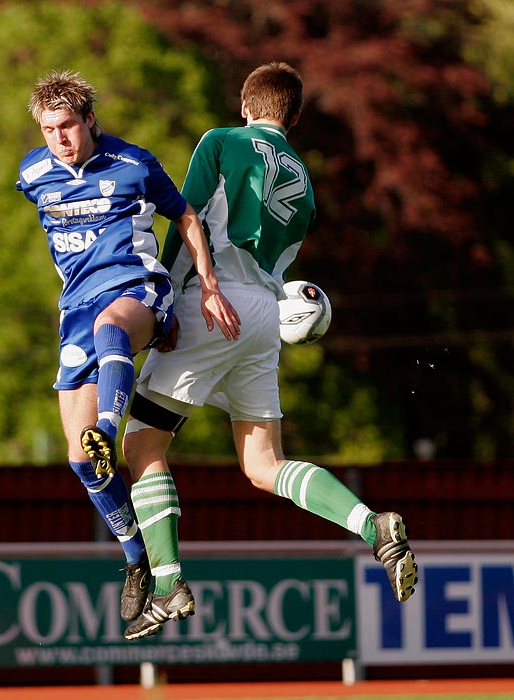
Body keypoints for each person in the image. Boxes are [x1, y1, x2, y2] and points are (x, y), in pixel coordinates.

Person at [121, 62, 418, 640]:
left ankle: (166, 583)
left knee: (142, 444)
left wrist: (167, 305)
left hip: (213, 304)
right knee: (264, 465)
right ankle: (372, 525)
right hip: (264, 316)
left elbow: (191, 221)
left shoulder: (222, 141)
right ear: (295, 117)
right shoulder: (304, 176)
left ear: (244, 105)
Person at [16, 70, 240, 624]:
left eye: (69, 125)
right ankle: (139, 560)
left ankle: (107, 431)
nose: (61, 138)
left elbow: (185, 214)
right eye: (50, 129)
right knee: (80, 462)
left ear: (91, 120)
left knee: (112, 330)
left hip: (137, 289)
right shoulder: (32, 172)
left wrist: (207, 288)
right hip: (75, 310)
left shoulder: (133, 163)